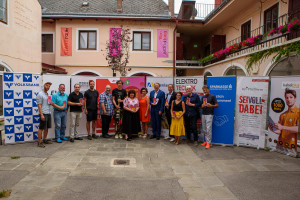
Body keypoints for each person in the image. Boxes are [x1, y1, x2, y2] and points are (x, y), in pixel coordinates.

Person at [269, 88, 299, 156]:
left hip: (291, 147)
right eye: (287, 98)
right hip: (280, 145)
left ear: (295, 98)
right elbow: (280, 131)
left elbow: (298, 129)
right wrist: (273, 129)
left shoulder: (298, 113)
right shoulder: (283, 115)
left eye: (291, 97)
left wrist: (282, 127)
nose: (289, 99)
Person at [36, 82, 53, 148]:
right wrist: (41, 114)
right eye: (47, 86)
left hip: (48, 112)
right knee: (41, 128)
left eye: (49, 86)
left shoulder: (47, 94)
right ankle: (39, 142)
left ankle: (44, 139)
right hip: (43, 113)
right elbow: (39, 105)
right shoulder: (40, 94)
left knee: (46, 128)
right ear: (44, 86)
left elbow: (48, 103)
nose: (48, 87)